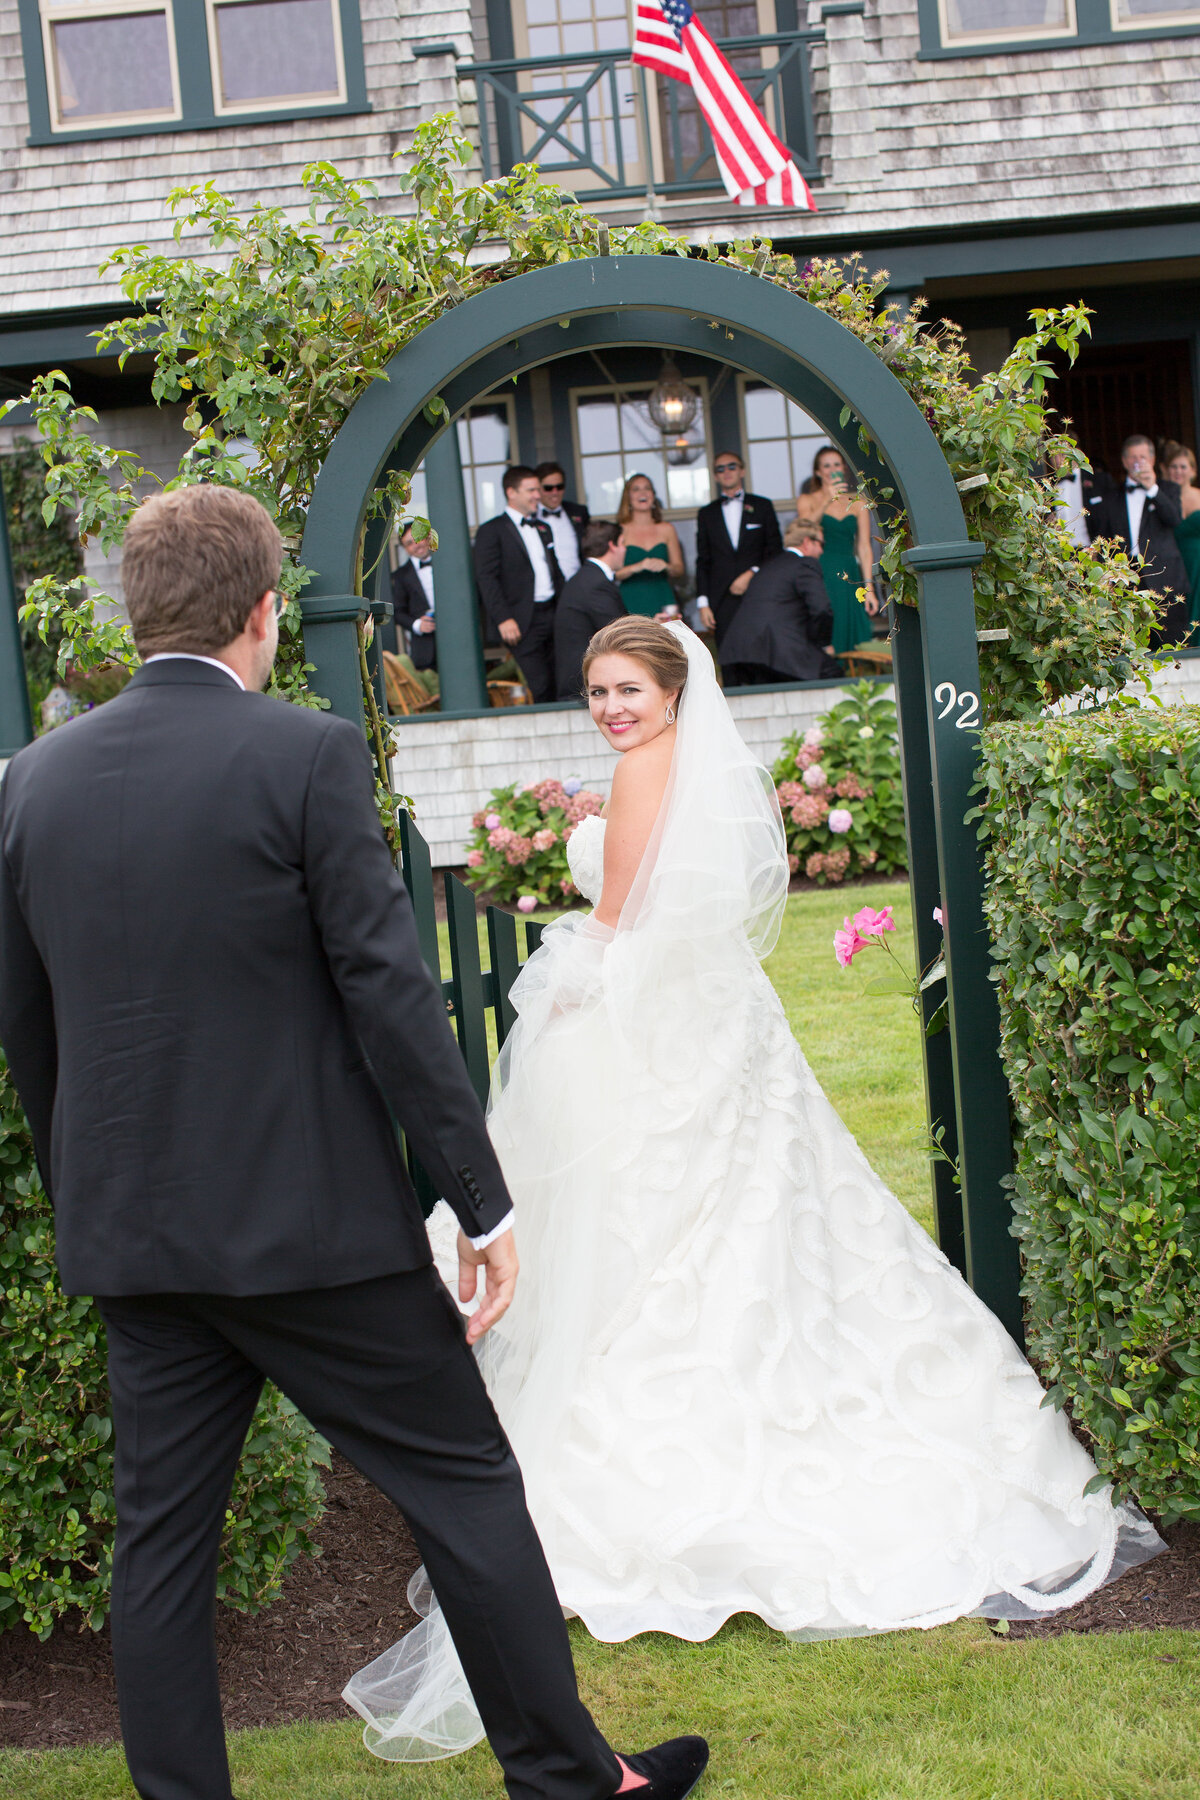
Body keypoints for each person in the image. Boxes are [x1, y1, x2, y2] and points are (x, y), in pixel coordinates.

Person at [347, 614, 1163, 1761]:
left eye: (628, 687)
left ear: (676, 690)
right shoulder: (699, 768)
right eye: (597, 689)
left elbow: (622, 924)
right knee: (755, 1220)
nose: (612, 707)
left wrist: (561, 990)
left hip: (658, 1033)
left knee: (664, 1230)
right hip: (718, 1022)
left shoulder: (643, 770)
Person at [0, 487, 707, 1800]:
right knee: (465, 1486)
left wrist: (91, 1201)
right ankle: (571, 1783)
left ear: (135, 612)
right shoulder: (308, 758)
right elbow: (393, 999)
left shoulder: (29, 784)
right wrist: (482, 1206)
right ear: (265, 612)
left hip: (142, 1242)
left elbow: (30, 1032)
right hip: (314, 1232)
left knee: (159, 1552)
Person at [1086, 433, 1190, 647]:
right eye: (1133, 457)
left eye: (1142, 457)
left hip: (1163, 577)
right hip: (1127, 577)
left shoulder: (1167, 489)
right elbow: (1102, 537)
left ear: (1152, 460)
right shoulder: (1111, 497)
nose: (1137, 462)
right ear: (1124, 462)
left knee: (1170, 640)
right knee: (1128, 641)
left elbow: (1174, 519)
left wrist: (1153, 489)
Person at [474, 465, 564, 703]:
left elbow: (555, 573)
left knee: (562, 678)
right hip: (522, 619)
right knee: (539, 683)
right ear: (511, 492)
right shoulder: (491, 530)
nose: (538, 495)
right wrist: (503, 618)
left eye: (538, 489)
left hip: (553, 612)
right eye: (531, 490)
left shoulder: (542, 527)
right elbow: (486, 578)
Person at [718, 519, 843, 687]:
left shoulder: (769, 565)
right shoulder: (805, 564)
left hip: (741, 651)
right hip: (778, 649)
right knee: (834, 675)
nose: (821, 551)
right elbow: (821, 609)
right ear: (807, 542)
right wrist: (824, 644)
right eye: (821, 544)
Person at [694, 451, 782, 644]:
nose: (727, 471)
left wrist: (752, 573)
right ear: (715, 476)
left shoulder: (763, 506)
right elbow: (703, 560)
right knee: (729, 657)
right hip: (721, 600)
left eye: (732, 466)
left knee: (761, 655)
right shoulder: (706, 514)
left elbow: (775, 551)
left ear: (742, 471)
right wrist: (703, 604)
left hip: (759, 593)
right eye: (720, 468)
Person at [802, 445, 877, 655]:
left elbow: (863, 547)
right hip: (821, 570)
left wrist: (869, 588)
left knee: (853, 625)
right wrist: (827, 498)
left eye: (836, 464)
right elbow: (804, 531)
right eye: (826, 465)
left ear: (843, 468)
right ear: (818, 472)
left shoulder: (858, 503)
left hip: (848, 570)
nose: (832, 469)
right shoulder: (808, 500)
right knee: (827, 621)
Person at [555, 520, 628, 700]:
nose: (626, 549)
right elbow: (619, 632)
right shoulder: (595, 583)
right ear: (612, 545)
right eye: (623, 543)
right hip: (586, 685)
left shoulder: (586, 578)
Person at [613, 474, 684, 617]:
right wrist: (637, 567)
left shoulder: (667, 529)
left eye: (647, 488)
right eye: (636, 489)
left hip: (663, 597)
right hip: (630, 600)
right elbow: (613, 574)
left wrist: (666, 566)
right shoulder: (619, 531)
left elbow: (679, 569)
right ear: (628, 497)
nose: (643, 493)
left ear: (653, 495)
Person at [1162, 440, 1200, 633]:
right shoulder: (1161, 499)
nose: (1178, 471)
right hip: (1173, 565)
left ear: (1192, 471)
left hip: (1198, 563)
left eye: (1183, 467)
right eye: (1174, 466)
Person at [390, 523, 437, 671]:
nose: (416, 545)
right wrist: (417, 624)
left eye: (418, 538)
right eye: (409, 543)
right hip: (425, 651)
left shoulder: (448, 563)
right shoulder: (400, 576)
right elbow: (397, 612)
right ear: (405, 548)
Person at [1048, 449, 1110, 549]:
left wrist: (1098, 550)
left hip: (1091, 550)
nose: (1058, 460)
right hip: (1060, 552)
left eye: (1063, 455)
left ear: (1077, 453)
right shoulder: (1047, 486)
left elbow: (1110, 518)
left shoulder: (1099, 480)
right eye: (1053, 455)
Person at [538, 461, 589, 583]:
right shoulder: (530, 517)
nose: (555, 492)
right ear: (538, 489)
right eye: (548, 488)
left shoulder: (578, 512)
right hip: (546, 591)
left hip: (577, 585)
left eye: (559, 487)